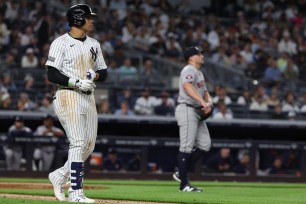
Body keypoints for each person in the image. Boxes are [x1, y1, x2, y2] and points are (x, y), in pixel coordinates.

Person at [45, 4, 108, 203]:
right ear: (77, 19)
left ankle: (59, 176)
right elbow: (51, 73)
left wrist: (94, 75)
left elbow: (104, 73)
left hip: (88, 96)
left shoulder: (94, 44)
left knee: (88, 146)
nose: (92, 21)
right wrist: (76, 81)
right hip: (67, 94)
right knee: (78, 143)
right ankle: (76, 193)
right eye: (89, 17)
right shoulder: (60, 42)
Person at [173, 46, 213, 192]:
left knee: (205, 144)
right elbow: (187, 86)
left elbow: (205, 91)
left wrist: (209, 102)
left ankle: (180, 172)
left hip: (197, 111)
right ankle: (184, 185)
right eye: (199, 53)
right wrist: (203, 103)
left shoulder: (199, 72)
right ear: (191, 57)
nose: (202, 55)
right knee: (186, 147)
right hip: (187, 109)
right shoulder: (188, 70)